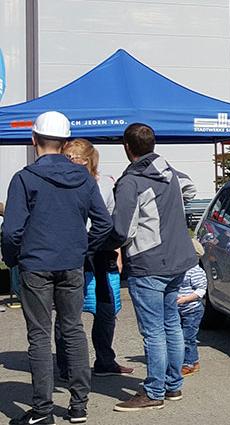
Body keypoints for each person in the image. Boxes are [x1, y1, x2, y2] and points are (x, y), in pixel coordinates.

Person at [1, 111, 112, 425]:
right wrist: (83, 248)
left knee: (39, 336)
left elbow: (11, 231)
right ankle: (79, 407)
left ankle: (43, 410)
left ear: (33, 139)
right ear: (65, 143)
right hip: (71, 264)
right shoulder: (83, 179)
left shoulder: (24, 178)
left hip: (36, 264)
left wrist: (13, 259)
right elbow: (104, 223)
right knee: (74, 331)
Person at [106, 123, 198, 412]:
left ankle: (154, 391)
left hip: (149, 263)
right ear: (153, 144)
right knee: (171, 323)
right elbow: (191, 188)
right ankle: (172, 386)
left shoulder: (130, 181)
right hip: (177, 259)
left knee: (154, 331)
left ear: (126, 147)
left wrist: (101, 241)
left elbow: (122, 231)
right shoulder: (168, 172)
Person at [54, 139, 134, 382]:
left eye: (74, 158)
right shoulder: (58, 184)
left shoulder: (105, 184)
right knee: (69, 312)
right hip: (72, 253)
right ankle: (66, 366)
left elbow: (111, 220)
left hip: (100, 253)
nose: (70, 163)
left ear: (88, 161)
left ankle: (105, 360)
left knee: (106, 309)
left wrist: (117, 252)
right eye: (67, 158)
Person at [177, 239, 208, 377]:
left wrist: (185, 299)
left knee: (187, 338)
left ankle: (190, 363)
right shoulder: (179, 269)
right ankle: (186, 361)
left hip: (192, 310)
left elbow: (201, 290)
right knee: (179, 336)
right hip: (179, 309)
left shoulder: (195, 271)